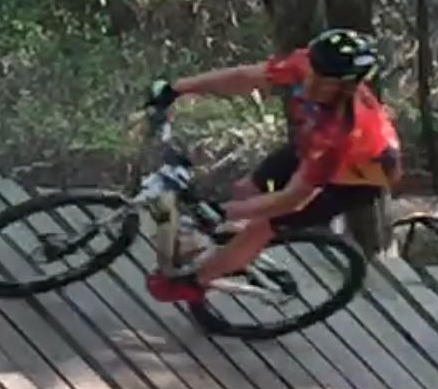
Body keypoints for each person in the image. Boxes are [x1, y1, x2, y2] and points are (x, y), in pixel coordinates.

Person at [141, 27, 401, 303]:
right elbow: (242, 78)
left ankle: (197, 282)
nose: (311, 81)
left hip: (354, 178)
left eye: (325, 81)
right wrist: (176, 89)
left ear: (347, 87)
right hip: (312, 146)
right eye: (312, 70)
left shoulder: (340, 131)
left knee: (262, 225)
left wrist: (225, 212)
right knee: (246, 188)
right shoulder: (308, 63)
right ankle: (227, 247)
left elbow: (292, 200)